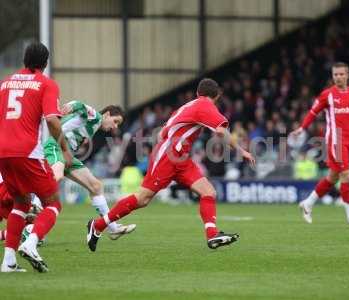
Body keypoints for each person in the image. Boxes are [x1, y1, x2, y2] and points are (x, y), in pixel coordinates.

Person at [86, 78, 256, 251]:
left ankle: (212, 235)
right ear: (217, 96)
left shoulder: (186, 107)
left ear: (198, 93)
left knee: (208, 192)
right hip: (169, 156)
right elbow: (221, 131)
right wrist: (241, 151)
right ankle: (97, 225)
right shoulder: (205, 105)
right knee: (142, 199)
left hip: (179, 157)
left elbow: (162, 134)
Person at [0, 42, 73, 272]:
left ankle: (8, 262)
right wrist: (64, 148)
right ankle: (31, 243)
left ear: (24, 60)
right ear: (46, 62)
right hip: (28, 152)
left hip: (3, 152)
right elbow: (52, 120)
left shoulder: (4, 84)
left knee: (21, 203)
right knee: (53, 203)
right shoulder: (46, 84)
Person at [291, 62, 349, 228]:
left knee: (333, 177)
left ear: (347, 75)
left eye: (341, 74)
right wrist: (302, 128)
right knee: (347, 176)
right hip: (335, 140)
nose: (338, 77)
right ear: (333, 76)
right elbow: (312, 112)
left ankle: (308, 203)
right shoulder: (327, 95)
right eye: (335, 75)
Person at [32, 100, 136, 239]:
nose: (115, 127)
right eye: (115, 121)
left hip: (67, 155)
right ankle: (35, 205)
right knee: (56, 176)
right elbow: (82, 106)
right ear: (107, 114)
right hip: (55, 147)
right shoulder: (96, 117)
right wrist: (71, 106)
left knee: (96, 186)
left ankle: (113, 227)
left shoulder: (92, 125)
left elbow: (72, 123)